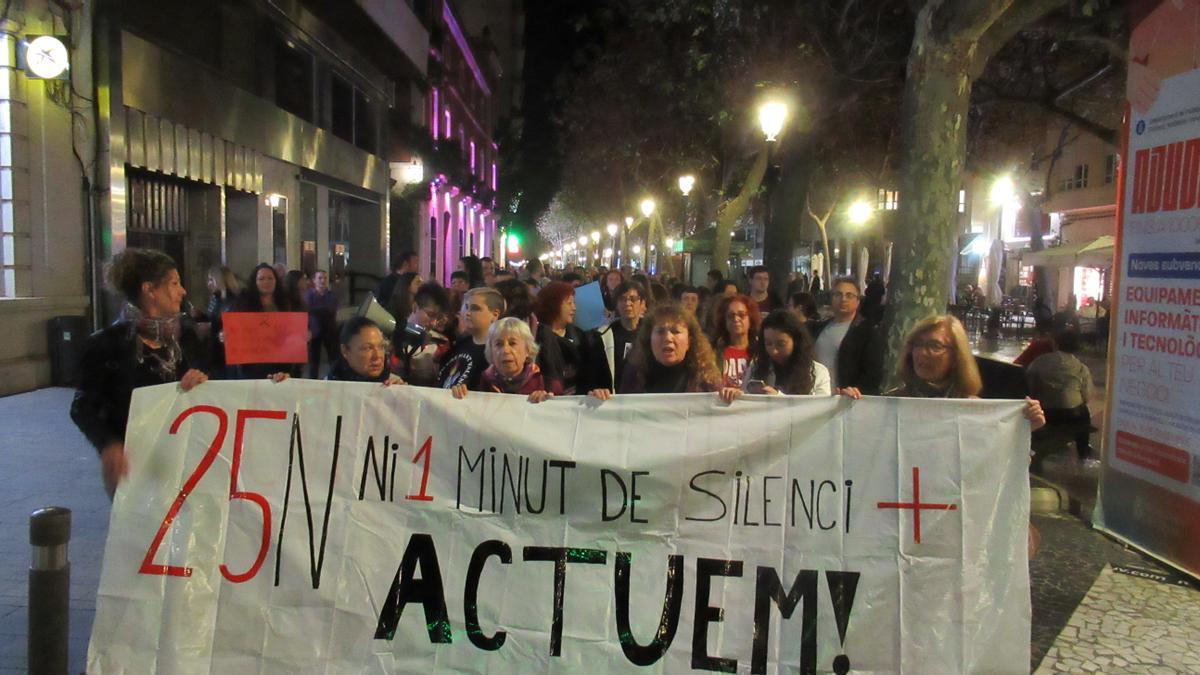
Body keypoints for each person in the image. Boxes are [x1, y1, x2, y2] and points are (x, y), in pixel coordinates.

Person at [72, 248, 209, 497]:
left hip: (182, 456)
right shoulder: (106, 344)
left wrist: (202, 381)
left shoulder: (186, 337)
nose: (183, 291)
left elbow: (215, 385)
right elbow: (82, 407)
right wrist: (109, 445)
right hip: (134, 463)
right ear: (150, 290)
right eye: (175, 283)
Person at [589, 303, 723, 397]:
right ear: (649, 340)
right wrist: (599, 400)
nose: (668, 338)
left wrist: (731, 399)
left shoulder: (706, 379)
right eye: (660, 332)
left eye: (675, 331)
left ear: (689, 341)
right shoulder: (633, 374)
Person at [1026, 327, 1094, 463]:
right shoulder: (1081, 367)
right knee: (1084, 412)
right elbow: (1086, 397)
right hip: (1073, 416)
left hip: (1046, 413)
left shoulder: (1040, 362)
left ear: (1055, 343)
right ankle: (1083, 451)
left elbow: (1029, 386)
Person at [451, 317, 557, 402]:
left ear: (528, 349)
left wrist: (548, 402)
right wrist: (458, 396)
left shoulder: (547, 383)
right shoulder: (476, 383)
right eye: (498, 344)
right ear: (491, 351)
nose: (505, 350)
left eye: (512, 343)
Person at [811, 276, 885, 395]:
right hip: (818, 399)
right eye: (838, 295)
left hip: (848, 400)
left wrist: (855, 392)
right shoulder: (818, 328)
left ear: (858, 301)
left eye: (849, 295)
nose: (843, 299)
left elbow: (873, 373)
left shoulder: (867, 332)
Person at [739, 310, 831, 396]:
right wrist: (735, 395)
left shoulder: (818, 372)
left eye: (781, 344)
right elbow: (745, 401)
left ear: (796, 341)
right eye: (768, 344)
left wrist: (778, 397)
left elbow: (821, 409)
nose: (774, 351)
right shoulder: (755, 368)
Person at [533, 281, 600, 395]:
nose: (574, 308)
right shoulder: (536, 337)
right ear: (553, 304)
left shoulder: (580, 336)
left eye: (574, 303)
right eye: (569, 303)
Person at [232, 263, 296, 379]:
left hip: (281, 360)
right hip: (251, 363)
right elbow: (235, 328)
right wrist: (225, 335)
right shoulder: (242, 302)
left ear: (276, 281)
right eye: (261, 279)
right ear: (254, 282)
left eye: (270, 278)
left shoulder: (286, 302)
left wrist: (304, 334)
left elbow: (294, 329)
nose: (266, 282)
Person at [439, 287, 504, 391]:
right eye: (466, 307)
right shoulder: (461, 344)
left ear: (494, 315)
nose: (468, 313)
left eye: (475, 308)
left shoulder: (496, 352)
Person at [394, 281, 450, 386]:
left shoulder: (440, 343)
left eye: (437, 318)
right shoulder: (392, 333)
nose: (433, 323)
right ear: (415, 306)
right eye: (430, 315)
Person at [595, 280, 646, 392]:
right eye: (622, 299)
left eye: (633, 299)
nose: (628, 303)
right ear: (616, 304)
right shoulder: (603, 335)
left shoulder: (651, 333)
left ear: (642, 304)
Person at [325, 317, 405, 384]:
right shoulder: (326, 389)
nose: (377, 356)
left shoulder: (393, 383)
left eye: (381, 346)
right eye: (367, 348)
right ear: (345, 351)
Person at [710, 294, 760, 389]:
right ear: (724, 320)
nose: (736, 319)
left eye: (741, 315)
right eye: (730, 316)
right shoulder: (713, 351)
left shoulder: (760, 351)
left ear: (751, 319)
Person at [304, 269, 339, 378]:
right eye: (320, 278)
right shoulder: (308, 295)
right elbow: (307, 309)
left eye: (324, 278)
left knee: (333, 358)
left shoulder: (331, 295)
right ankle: (313, 381)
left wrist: (315, 310)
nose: (322, 281)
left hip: (329, 330)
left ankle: (335, 378)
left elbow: (331, 310)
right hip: (314, 331)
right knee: (314, 360)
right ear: (314, 280)